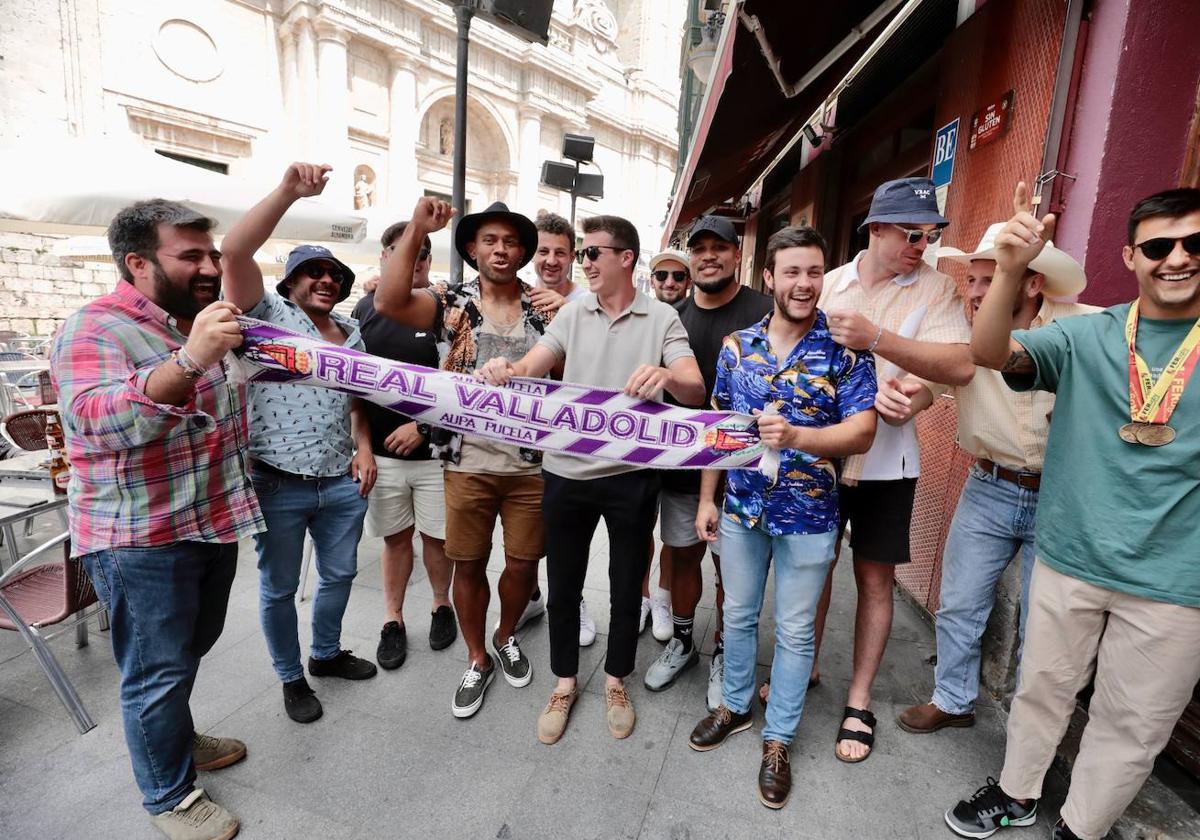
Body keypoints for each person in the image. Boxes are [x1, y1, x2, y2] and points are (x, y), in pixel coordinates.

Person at [944, 184, 1200, 840]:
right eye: (1159, 246)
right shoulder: (1085, 335)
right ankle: (1016, 794)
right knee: (1041, 690)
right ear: (1132, 257)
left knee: (1132, 723)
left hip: (1178, 582)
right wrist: (1007, 269)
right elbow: (989, 352)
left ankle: (1081, 828)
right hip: (1070, 556)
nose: (1177, 257)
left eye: (1193, 244)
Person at [52, 199, 264, 839]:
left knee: (185, 651)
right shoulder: (93, 328)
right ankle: (168, 796)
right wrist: (192, 359)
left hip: (210, 520)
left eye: (211, 253)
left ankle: (175, 736)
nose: (209, 266)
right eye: (190, 255)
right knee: (155, 670)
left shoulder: (197, 321)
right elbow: (99, 421)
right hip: (139, 539)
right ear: (139, 262)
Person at [479, 215, 704, 745]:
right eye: (583, 254)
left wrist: (669, 377)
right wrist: (507, 372)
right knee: (565, 584)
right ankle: (564, 683)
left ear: (626, 258)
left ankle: (615, 680)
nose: (583, 263)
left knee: (629, 583)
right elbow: (538, 361)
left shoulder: (663, 317)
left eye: (592, 253)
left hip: (632, 474)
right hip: (566, 472)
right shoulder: (575, 311)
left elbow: (695, 389)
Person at [688, 225, 877, 809]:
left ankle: (779, 739)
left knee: (795, 632)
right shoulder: (737, 347)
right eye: (792, 272)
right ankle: (737, 706)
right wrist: (705, 499)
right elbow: (717, 430)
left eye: (814, 272)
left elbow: (864, 430)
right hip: (743, 508)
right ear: (768, 277)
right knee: (739, 615)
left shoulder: (846, 348)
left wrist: (801, 436)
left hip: (811, 514)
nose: (804, 284)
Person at [879, 225, 1095, 735]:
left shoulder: (1084, 328)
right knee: (960, 602)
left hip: (1065, 493)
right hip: (989, 486)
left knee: (1048, 625)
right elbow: (924, 389)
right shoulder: (961, 337)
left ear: (1032, 282)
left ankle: (1032, 729)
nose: (974, 293)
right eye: (972, 281)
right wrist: (897, 404)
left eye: (987, 279)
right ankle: (953, 700)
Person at [811, 176, 973, 763]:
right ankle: (802, 674)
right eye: (910, 232)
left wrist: (913, 390)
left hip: (889, 462)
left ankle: (859, 701)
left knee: (876, 580)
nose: (919, 245)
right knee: (814, 567)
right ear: (875, 228)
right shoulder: (829, 283)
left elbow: (957, 365)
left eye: (928, 234)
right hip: (822, 454)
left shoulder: (938, 290)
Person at [374, 196, 552, 719]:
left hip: (531, 467)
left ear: (524, 251)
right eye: (490, 240)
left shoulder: (547, 305)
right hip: (465, 462)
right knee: (468, 565)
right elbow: (387, 301)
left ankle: (504, 636)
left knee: (522, 566)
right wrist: (415, 228)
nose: (501, 249)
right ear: (472, 248)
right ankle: (477, 657)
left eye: (511, 241)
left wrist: (570, 311)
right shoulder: (450, 302)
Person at [221, 163, 377, 725]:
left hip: (340, 481)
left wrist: (363, 447)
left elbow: (356, 399)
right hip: (277, 480)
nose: (326, 279)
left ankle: (327, 653)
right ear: (288, 284)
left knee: (339, 576)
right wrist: (288, 191)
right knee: (280, 588)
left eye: (333, 272)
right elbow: (235, 253)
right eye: (311, 272)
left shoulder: (352, 335)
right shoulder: (268, 315)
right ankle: (291, 678)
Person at [644, 220, 772, 715]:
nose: (709, 256)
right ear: (690, 258)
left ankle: (723, 651)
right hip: (681, 470)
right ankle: (682, 642)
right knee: (680, 557)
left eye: (720, 247)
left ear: (737, 254)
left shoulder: (764, 311)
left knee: (732, 573)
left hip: (744, 475)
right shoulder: (671, 318)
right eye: (700, 249)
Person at [352, 221, 456, 669]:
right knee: (395, 542)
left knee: (438, 539)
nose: (407, 262)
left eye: (415, 254)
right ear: (383, 258)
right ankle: (392, 619)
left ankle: (440, 605)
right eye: (395, 253)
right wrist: (361, 447)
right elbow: (352, 385)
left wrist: (423, 427)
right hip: (380, 456)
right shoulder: (363, 310)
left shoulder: (447, 310)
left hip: (435, 455)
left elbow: (459, 381)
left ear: (427, 261)